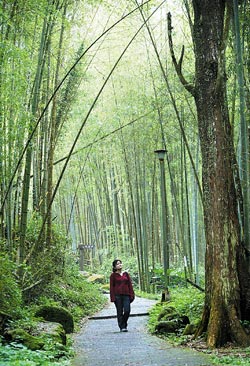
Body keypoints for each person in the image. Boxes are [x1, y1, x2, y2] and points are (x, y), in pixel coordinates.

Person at [110, 259, 135, 332]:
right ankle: (122, 327)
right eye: (118, 264)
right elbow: (111, 287)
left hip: (126, 295)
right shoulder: (113, 275)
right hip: (117, 296)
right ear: (114, 267)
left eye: (120, 263)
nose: (120, 265)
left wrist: (132, 294)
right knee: (119, 311)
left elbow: (130, 285)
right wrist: (112, 297)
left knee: (127, 310)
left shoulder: (126, 274)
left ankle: (124, 323)